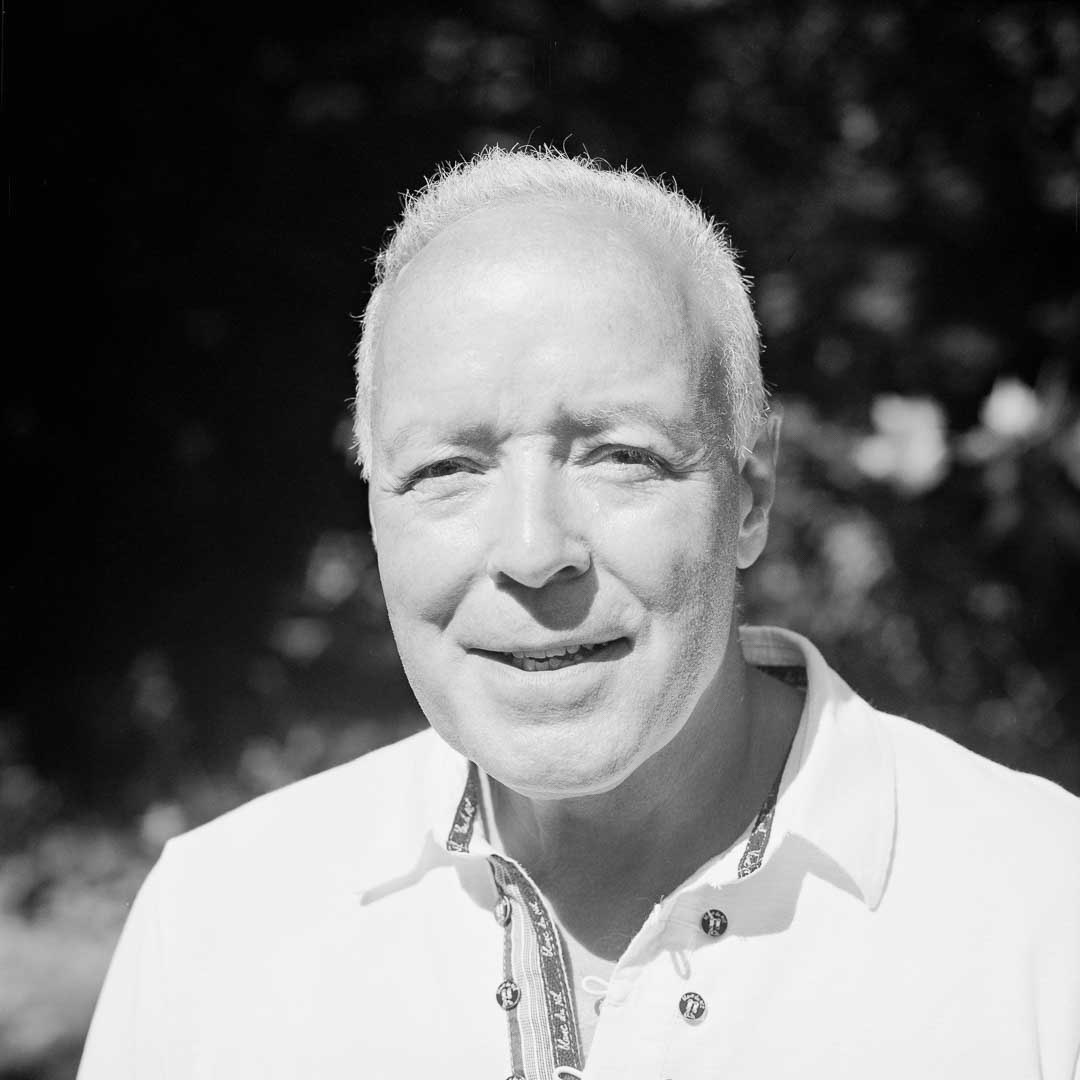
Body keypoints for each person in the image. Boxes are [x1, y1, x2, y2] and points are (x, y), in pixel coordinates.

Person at [78, 147, 1080, 1080]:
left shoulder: (1044, 916)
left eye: (621, 456)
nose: (532, 551)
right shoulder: (212, 929)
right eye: (446, 468)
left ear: (751, 493)